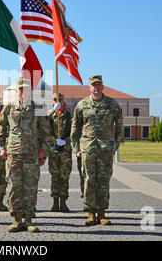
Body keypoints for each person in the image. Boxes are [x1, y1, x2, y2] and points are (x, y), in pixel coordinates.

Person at [0, 78, 51, 233]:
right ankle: (16, 220)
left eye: (26, 89)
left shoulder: (38, 107)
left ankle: (28, 220)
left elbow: (45, 131)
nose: (23, 91)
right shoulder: (9, 108)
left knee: (30, 188)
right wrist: (2, 147)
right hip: (13, 153)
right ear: (17, 91)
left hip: (32, 154)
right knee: (14, 187)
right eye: (20, 89)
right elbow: (1, 127)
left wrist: (43, 150)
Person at [71, 75, 124, 226]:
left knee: (104, 181)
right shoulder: (82, 105)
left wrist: (115, 145)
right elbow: (75, 128)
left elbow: (120, 126)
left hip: (105, 149)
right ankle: (90, 213)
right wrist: (76, 149)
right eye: (93, 85)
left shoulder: (112, 104)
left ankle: (102, 214)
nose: (96, 87)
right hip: (88, 149)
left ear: (103, 86)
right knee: (88, 181)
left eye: (99, 85)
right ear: (89, 87)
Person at [47, 93, 75, 212]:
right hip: (53, 150)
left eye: (60, 99)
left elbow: (73, 131)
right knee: (54, 176)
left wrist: (65, 141)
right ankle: (55, 202)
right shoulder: (49, 115)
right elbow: (45, 130)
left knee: (64, 176)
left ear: (63, 101)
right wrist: (55, 141)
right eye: (55, 100)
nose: (58, 101)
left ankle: (63, 202)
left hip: (65, 150)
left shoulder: (68, 116)